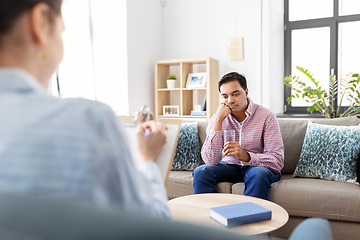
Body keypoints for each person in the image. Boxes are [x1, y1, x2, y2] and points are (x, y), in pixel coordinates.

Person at [0, 0, 169, 218]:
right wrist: (147, 159)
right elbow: (149, 228)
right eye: (61, 32)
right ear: (41, 21)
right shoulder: (89, 122)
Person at [193, 72, 284, 200]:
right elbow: (210, 161)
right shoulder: (218, 117)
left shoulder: (267, 116)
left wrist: (246, 156)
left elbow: (277, 161)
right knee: (201, 171)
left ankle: (250, 218)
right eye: (225, 96)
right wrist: (218, 120)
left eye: (235, 94)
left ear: (246, 92)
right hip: (230, 166)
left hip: (257, 168)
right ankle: (207, 217)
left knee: (259, 173)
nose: (230, 100)